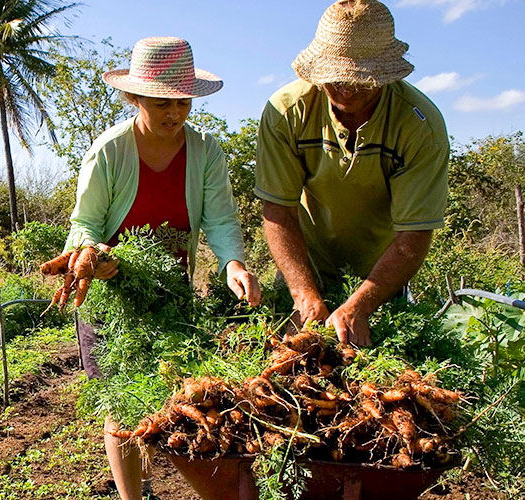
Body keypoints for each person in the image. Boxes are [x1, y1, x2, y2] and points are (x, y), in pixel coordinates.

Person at [66, 36, 260, 500]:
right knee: (121, 401)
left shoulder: (206, 151)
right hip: (107, 297)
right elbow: (84, 223)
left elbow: (220, 220)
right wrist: (93, 253)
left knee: (168, 398)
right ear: (134, 97)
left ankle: (152, 482)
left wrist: (233, 262)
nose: (175, 113)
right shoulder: (110, 151)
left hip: (169, 294)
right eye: (161, 102)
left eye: (182, 101)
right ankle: (133, 496)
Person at [255, 0, 449, 347]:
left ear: (384, 73)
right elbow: (278, 209)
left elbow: (413, 235)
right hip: (304, 267)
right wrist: (302, 293)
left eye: (359, 78)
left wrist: (361, 305)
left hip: (379, 278)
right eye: (336, 77)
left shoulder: (419, 126)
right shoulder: (287, 111)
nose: (345, 88)